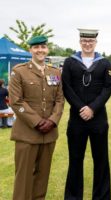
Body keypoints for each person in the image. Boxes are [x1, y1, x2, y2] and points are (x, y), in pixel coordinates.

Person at [8, 35, 64, 200]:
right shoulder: (19, 71)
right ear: (30, 49)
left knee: (42, 178)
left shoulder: (55, 72)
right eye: (36, 47)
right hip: (27, 133)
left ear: (47, 49)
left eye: (43, 47)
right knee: (23, 178)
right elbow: (16, 101)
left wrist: (53, 120)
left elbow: (60, 100)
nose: (40, 50)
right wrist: (37, 121)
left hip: (49, 134)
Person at [62, 28, 111, 200]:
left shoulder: (105, 63)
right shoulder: (70, 62)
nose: (87, 44)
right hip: (76, 119)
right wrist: (81, 108)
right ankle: (73, 197)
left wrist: (92, 108)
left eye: (90, 41)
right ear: (80, 42)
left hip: (98, 119)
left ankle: (101, 196)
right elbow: (66, 87)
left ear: (95, 43)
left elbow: (108, 88)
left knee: (101, 160)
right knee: (75, 160)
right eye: (84, 41)